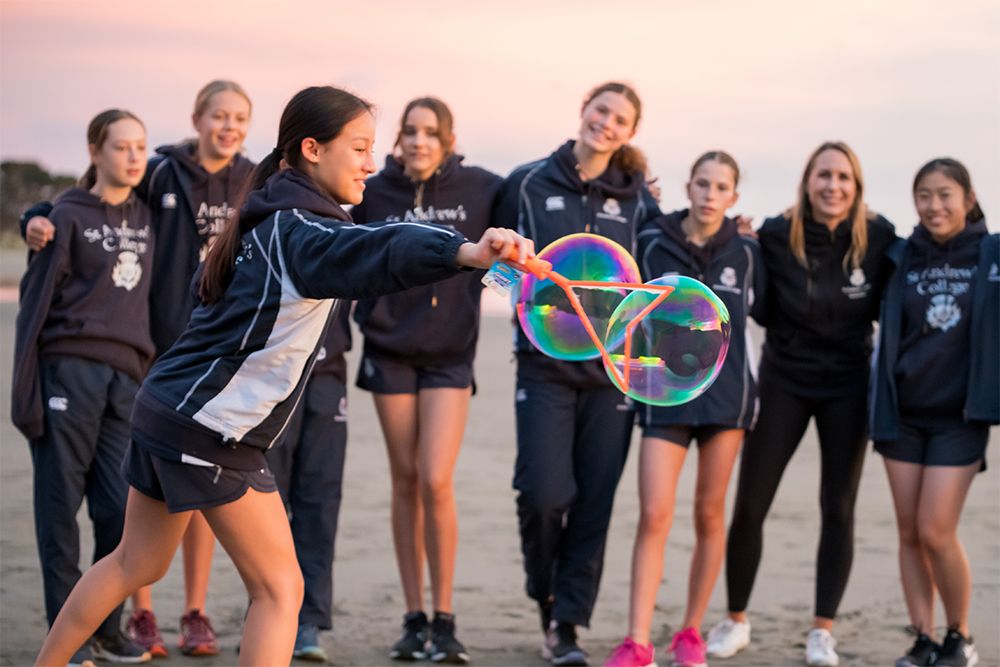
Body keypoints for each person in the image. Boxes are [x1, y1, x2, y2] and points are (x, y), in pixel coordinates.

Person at [33, 84, 535, 667]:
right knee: (280, 590)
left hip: (171, 409)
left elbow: (366, 240)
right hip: (209, 427)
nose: (373, 163)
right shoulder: (297, 230)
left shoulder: (271, 211)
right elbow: (379, 250)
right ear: (313, 149)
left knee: (135, 563)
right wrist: (465, 253)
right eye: (360, 148)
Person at [22, 80, 256, 657]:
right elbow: (77, 215)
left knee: (155, 497)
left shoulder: (217, 192)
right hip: (110, 364)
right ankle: (106, 629)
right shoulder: (134, 184)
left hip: (178, 363)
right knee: (98, 503)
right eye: (218, 115)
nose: (228, 126)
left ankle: (151, 620)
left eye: (239, 118)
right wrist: (35, 214)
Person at [706, 141, 897, 666]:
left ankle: (822, 631)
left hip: (847, 386)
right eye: (823, 176)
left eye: (843, 178)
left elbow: (923, 265)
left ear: (855, 187)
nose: (833, 186)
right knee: (751, 504)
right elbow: (735, 265)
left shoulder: (878, 238)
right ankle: (735, 619)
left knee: (838, 507)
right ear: (807, 181)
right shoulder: (773, 234)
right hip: (785, 379)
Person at [492, 81, 661, 666]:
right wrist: (511, 280)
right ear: (583, 111)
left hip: (614, 373)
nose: (606, 123)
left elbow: (661, 275)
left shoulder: (641, 201)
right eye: (601, 110)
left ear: (630, 133)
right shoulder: (529, 181)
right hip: (542, 366)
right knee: (543, 494)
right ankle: (546, 596)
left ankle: (567, 624)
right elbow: (494, 261)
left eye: (620, 119)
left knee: (593, 501)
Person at [350, 96, 502, 664]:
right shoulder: (377, 189)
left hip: (450, 354)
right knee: (406, 479)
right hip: (388, 348)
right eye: (409, 131)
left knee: (437, 478)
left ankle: (446, 617)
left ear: (448, 138)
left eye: (429, 132)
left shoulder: (481, 187)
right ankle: (414, 619)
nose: (417, 141)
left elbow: (520, 227)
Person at [603, 151, 765, 667]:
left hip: (726, 399)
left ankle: (691, 633)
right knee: (654, 514)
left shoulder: (748, 252)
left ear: (734, 198)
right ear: (688, 188)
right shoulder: (654, 241)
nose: (710, 194)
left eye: (721, 187)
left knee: (709, 513)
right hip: (661, 391)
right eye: (702, 184)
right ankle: (638, 640)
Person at [12, 109, 154, 667]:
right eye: (122, 147)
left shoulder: (149, 214)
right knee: (59, 511)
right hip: (69, 372)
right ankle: (64, 637)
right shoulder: (65, 215)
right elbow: (33, 305)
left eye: (141, 147)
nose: (134, 157)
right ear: (96, 152)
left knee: (118, 510)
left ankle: (106, 629)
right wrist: (25, 389)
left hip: (129, 380)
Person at [870, 158, 997, 667]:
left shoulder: (989, 253)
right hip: (902, 413)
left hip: (959, 418)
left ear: (968, 198)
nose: (934, 205)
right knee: (908, 531)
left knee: (935, 530)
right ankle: (923, 639)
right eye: (923, 195)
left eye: (945, 194)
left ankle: (959, 636)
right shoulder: (902, 255)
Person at [264, 307, 352, 663]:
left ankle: (309, 620)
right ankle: (265, 609)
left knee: (321, 502)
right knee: (266, 504)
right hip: (272, 374)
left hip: (328, 374)